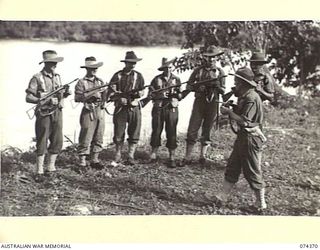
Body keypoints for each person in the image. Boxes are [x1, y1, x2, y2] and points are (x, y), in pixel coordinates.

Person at [216, 67, 267, 210]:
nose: (235, 85)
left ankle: (261, 204)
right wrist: (232, 108)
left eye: (237, 82)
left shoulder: (251, 97)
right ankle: (222, 197)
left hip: (250, 138)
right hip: (243, 138)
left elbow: (245, 121)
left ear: (243, 83)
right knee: (232, 166)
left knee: (252, 171)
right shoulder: (245, 96)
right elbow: (242, 115)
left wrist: (229, 113)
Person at [25, 50, 71, 182]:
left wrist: (66, 93)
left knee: (57, 140)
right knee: (42, 139)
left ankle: (51, 168)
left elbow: (60, 94)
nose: (54, 65)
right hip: (43, 113)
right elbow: (28, 97)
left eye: (55, 62)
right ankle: (39, 171)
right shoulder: (37, 78)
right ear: (45, 63)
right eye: (52, 63)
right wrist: (43, 100)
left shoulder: (58, 76)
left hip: (57, 112)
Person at [184, 46, 226, 165]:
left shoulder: (220, 72)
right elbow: (188, 86)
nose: (211, 60)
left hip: (213, 103)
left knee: (207, 129)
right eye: (209, 57)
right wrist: (198, 87)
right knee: (193, 128)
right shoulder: (198, 71)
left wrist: (217, 86)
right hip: (199, 102)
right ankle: (187, 157)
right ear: (205, 57)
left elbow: (223, 91)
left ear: (217, 58)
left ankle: (202, 156)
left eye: (213, 57)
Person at [108, 51, 145, 165]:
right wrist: (119, 99)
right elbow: (111, 92)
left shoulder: (138, 76)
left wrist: (139, 94)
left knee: (134, 130)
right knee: (119, 131)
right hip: (121, 108)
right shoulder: (117, 75)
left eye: (134, 63)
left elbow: (143, 90)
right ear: (125, 63)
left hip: (134, 107)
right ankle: (118, 154)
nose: (132, 65)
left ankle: (130, 155)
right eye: (130, 63)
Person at [148, 58, 182, 168]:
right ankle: (153, 154)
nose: (168, 69)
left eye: (170, 67)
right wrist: (159, 95)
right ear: (163, 68)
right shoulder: (156, 79)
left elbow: (181, 95)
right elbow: (150, 94)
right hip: (159, 107)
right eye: (166, 67)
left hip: (172, 108)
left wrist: (175, 94)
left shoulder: (177, 79)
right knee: (156, 130)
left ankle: (172, 157)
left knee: (172, 131)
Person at [74, 57, 106, 171]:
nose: (94, 70)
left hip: (99, 110)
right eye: (92, 68)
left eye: (95, 68)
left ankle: (95, 160)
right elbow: (77, 98)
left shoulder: (100, 81)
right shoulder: (81, 82)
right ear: (87, 68)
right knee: (86, 134)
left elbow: (105, 96)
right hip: (88, 110)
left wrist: (104, 101)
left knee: (99, 134)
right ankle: (82, 161)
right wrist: (90, 94)